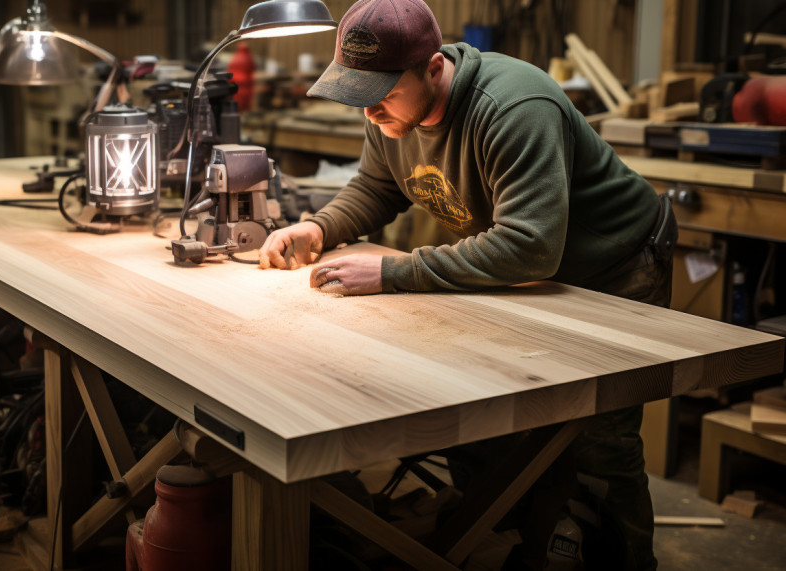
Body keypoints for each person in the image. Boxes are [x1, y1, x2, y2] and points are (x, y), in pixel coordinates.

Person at [258, 0, 676, 569]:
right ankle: (502, 541)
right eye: (357, 92)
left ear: (433, 69)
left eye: (381, 90)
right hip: (530, 276)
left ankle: (620, 561)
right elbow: (376, 186)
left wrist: (391, 272)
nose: (370, 108)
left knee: (595, 441)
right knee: (488, 412)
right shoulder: (388, 115)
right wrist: (318, 226)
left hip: (613, 266)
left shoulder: (511, 106)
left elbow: (531, 246)